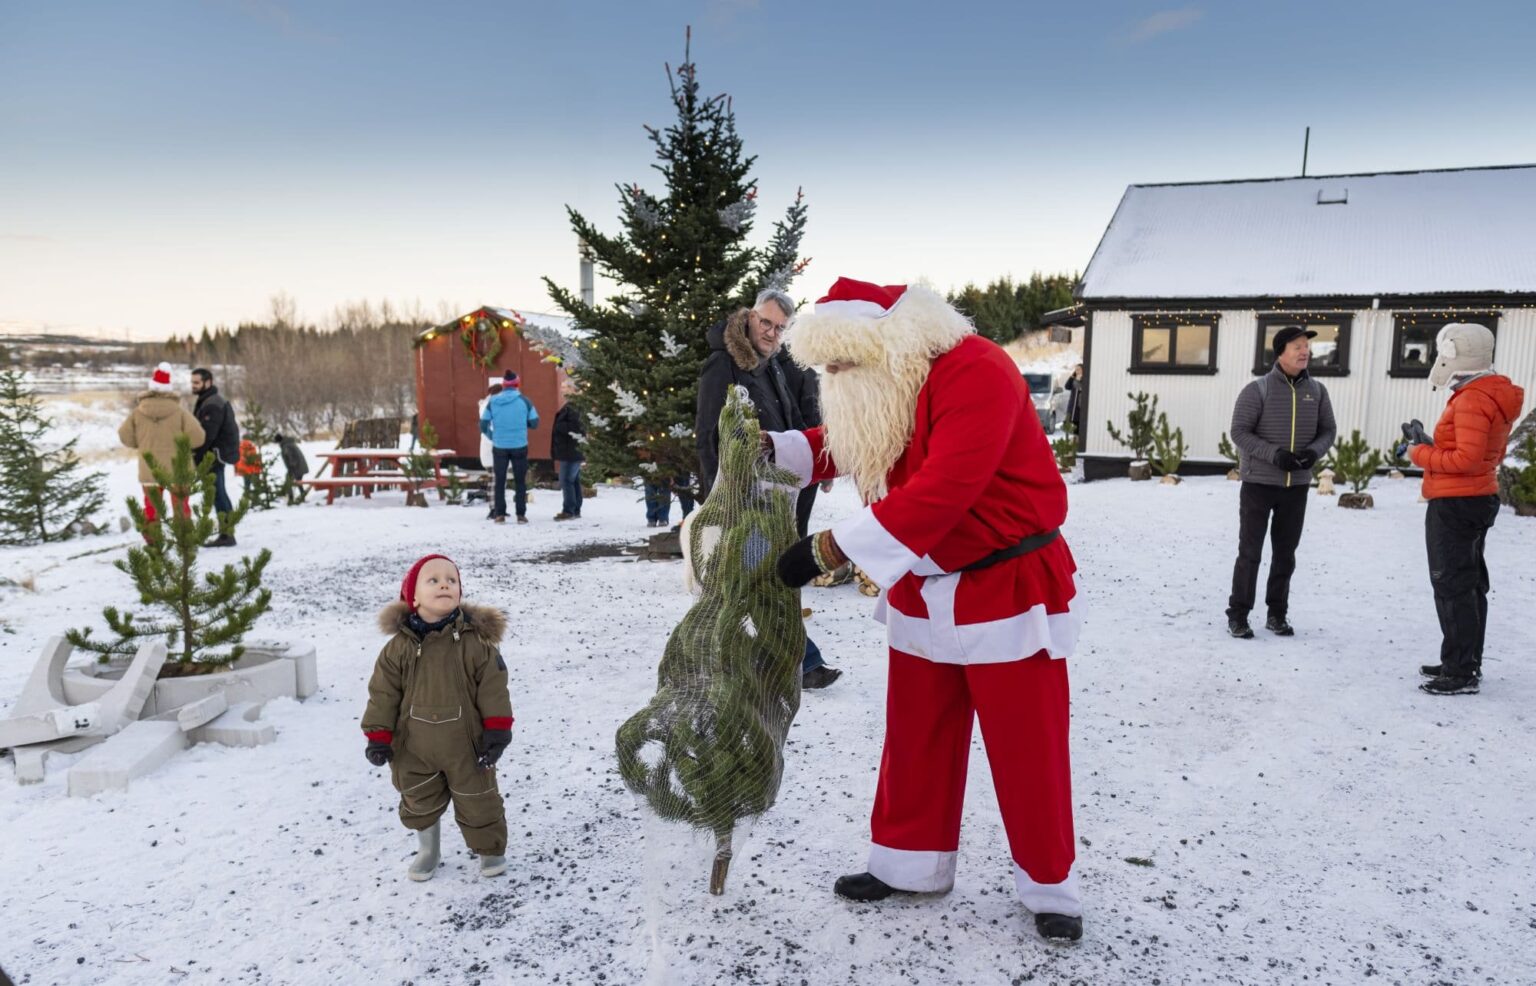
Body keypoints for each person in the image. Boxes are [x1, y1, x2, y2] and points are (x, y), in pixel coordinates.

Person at [768, 277, 1083, 942]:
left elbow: (949, 484)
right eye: (828, 368)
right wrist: (778, 450)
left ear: (885, 343)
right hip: (922, 581)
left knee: (1027, 745)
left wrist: (827, 548)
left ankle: (1050, 885)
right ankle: (909, 865)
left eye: (843, 363)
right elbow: (857, 434)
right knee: (916, 737)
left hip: (1006, 584)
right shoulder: (891, 376)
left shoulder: (978, 370)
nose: (836, 377)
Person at [696, 287, 842, 690]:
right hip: (745, 493)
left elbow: (796, 416)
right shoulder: (722, 365)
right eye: (766, 322)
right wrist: (718, 497)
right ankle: (799, 660)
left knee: (763, 576)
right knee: (761, 575)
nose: (771, 332)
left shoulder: (774, 364)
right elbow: (708, 436)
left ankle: (774, 660)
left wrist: (814, 463)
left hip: (782, 490)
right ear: (749, 316)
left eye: (780, 328)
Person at [362, 554, 513, 881]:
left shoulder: (477, 643)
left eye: (451, 580)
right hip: (414, 747)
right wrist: (378, 735)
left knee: (479, 798)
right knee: (418, 798)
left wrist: (497, 729)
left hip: (468, 745)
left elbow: (493, 687)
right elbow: (383, 694)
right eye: (433, 580)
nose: (445, 583)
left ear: (459, 592)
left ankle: (491, 849)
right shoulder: (398, 648)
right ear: (412, 597)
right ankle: (428, 850)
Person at [1400, 323, 1525, 696]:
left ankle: (1460, 672)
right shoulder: (1489, 393)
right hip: (1475, 496)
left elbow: (1466, 458)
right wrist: (1430, 441)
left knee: (1452, 584)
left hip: (1456, 501)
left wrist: (1416, 452)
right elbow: (1484, 452)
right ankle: (1461, 659)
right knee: (1468, 584)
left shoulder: (1471, 398)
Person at [1225, 327, 1337, 639]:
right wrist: (1275, 455)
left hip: (1297, 485)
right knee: (1250, 552)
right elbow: (1240, 432)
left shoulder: (1318, 391)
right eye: (1297, 347)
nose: (1305, 352)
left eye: (1307, 347)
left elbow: (1328, 430)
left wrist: (1313, 453)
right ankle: (1239, 614)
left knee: (1285, 554)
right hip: (1259, 484)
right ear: (1280, 352)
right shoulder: (1257, 390)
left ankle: (1277, 614)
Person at [118, 362, 205, 525]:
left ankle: (154, 545)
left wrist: (142, 443)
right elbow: (198, 438)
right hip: (178, 469)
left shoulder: (137, 413)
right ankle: (184, 542)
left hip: (150, 469)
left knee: (151, 510)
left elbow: (124, 436)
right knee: (181, 508)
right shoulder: (180, 413)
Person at [479, 371, 539, 524]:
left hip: (499, 446)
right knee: (520, 481)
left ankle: (499, 515)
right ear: (517, 384)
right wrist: (521, 424)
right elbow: (535, 423)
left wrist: (493, 436)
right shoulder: (525, 401)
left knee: (500, 480)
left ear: (504, 385)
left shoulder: (493, 402)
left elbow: (483, 424)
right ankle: (521, 514)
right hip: (519, 445)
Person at [190, 368, 241, 547]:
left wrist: (194, 455)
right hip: (214, 455)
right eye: (192, 382)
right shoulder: (208, 401)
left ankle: (227, 534)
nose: (193, 386)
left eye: (196, 382)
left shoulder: (212, 404)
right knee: (219, 493)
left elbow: (206, 436)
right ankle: (227, 532)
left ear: (208, 382)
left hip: (214, 456)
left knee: (218, 494)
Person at [551, 379, 585, 521]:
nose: (562, 389)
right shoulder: (571, 405)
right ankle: (576, 508)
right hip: (572, 449)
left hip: (571, 450)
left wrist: (558, 427)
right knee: (574, 480)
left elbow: (576, 427)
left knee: (566, 480)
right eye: (562, 386)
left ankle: (569, 510)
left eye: (565, 387)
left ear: (573, 389)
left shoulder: (574, 406)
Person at [1063, 363, 1085, 439]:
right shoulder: (1074, 378)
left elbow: (1079, 387)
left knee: (1077, 425)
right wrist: (1072, 377)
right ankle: (1067, 440)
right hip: (1072, 405)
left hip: (1079, 407)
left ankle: (1077, 440)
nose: (1077, 371)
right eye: (1076, 370)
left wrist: (1078, 380)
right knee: (1067, 423)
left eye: (1079, 369)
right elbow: (1067, 386)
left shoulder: (1084, 379)